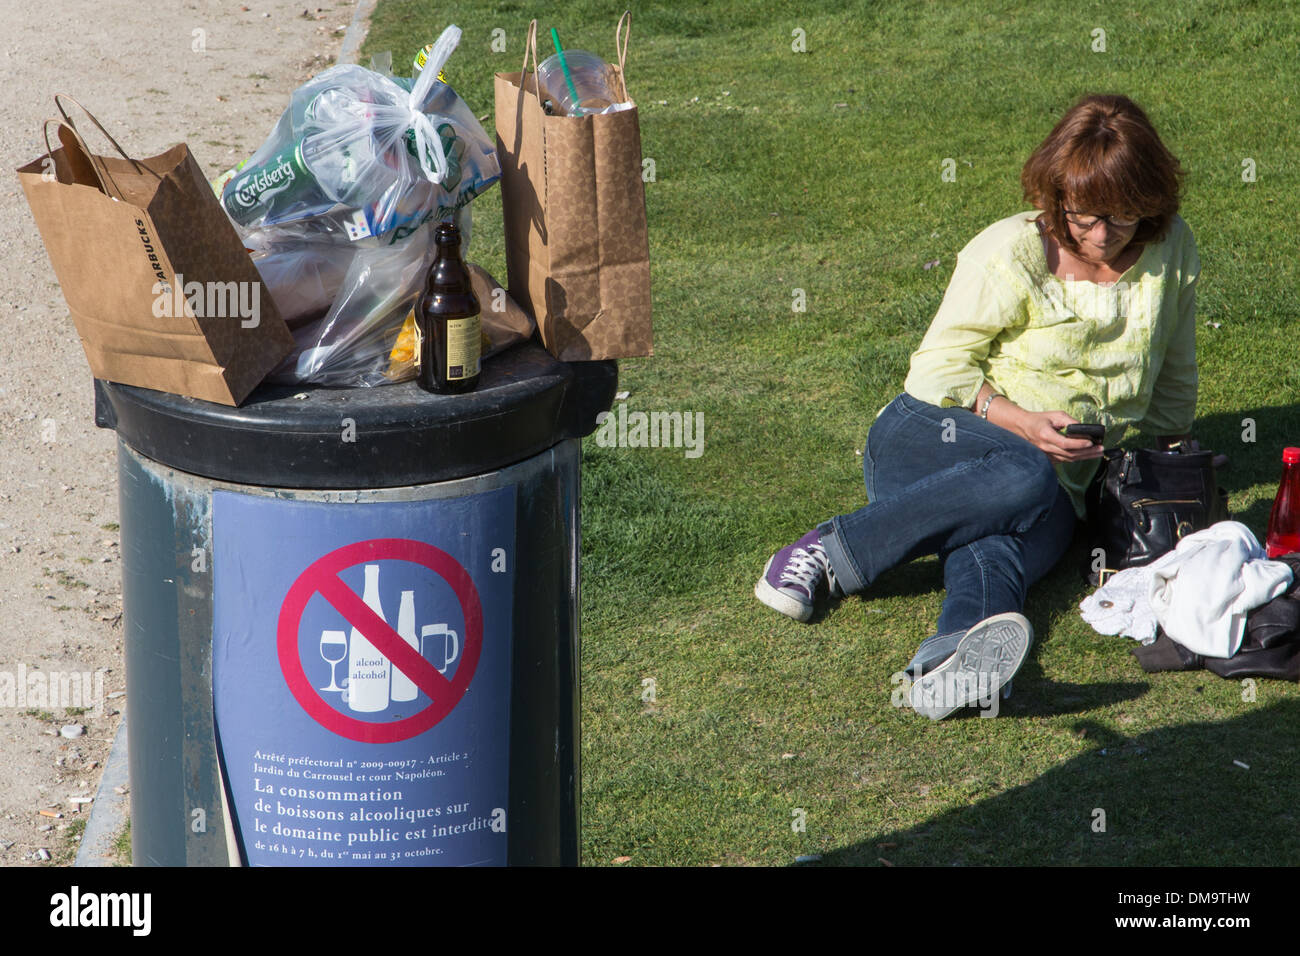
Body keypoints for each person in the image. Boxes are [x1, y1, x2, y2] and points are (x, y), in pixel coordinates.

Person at [755, 93, 1200, 719]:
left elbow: (1174, 382)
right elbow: (933, 370)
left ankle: (950, 669)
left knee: (998, 550)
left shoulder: (1172, 250)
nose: (1101, 235)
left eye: (1122, 218)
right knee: (1021, 470)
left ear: (1151, 203)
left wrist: (1165, 466)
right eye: (1084, 217)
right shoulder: (1008, 252)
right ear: (1057, 195)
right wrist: (1022, 422)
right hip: (932, 435)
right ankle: (826, 551)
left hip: (1056, 488)